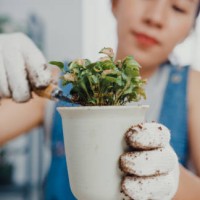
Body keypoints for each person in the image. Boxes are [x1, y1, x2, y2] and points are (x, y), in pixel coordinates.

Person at [1, 0, 200, 199]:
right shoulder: (56, 82)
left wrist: (174, 181)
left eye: (178, 7)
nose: (155, 18)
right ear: (115, 3)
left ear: (190, 29)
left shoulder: (193, 89)